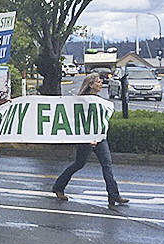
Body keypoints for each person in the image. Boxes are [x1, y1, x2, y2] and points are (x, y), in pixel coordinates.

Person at [52, 73, 129, 209]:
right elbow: (77, 121)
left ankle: (113, 195)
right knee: (78, 164)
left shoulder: (99, 100)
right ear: (91, 85)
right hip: (86, 139)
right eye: (98, 82)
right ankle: (58, 186)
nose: (100, 84)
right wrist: (86, 138)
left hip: (99, 138)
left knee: (107, 165)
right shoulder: (81, 101)